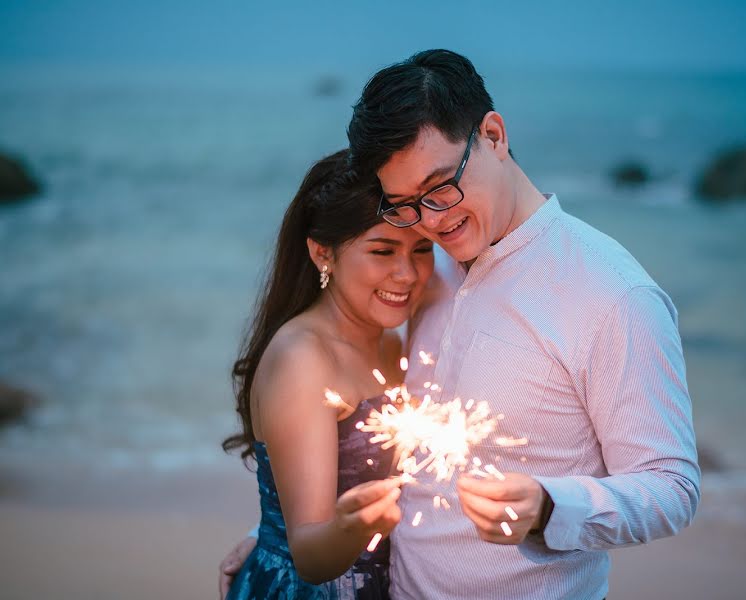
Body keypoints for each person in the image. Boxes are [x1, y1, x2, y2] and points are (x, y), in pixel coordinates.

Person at [223, 49, 700, 600]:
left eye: (441, 185)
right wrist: (280, 534)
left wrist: (550, 506)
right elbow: (389, 446)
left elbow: (673, 487)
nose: (433, 219)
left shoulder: (612, 294)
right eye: (404, 204)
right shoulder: (428, 266)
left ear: (494, 136)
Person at [220, 149, 435, 599]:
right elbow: (311, 556)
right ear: (323, 254)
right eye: (382, 250)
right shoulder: (304, 360)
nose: (407, 273)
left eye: (422, 249)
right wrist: (352, 526)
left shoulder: (393, 342)